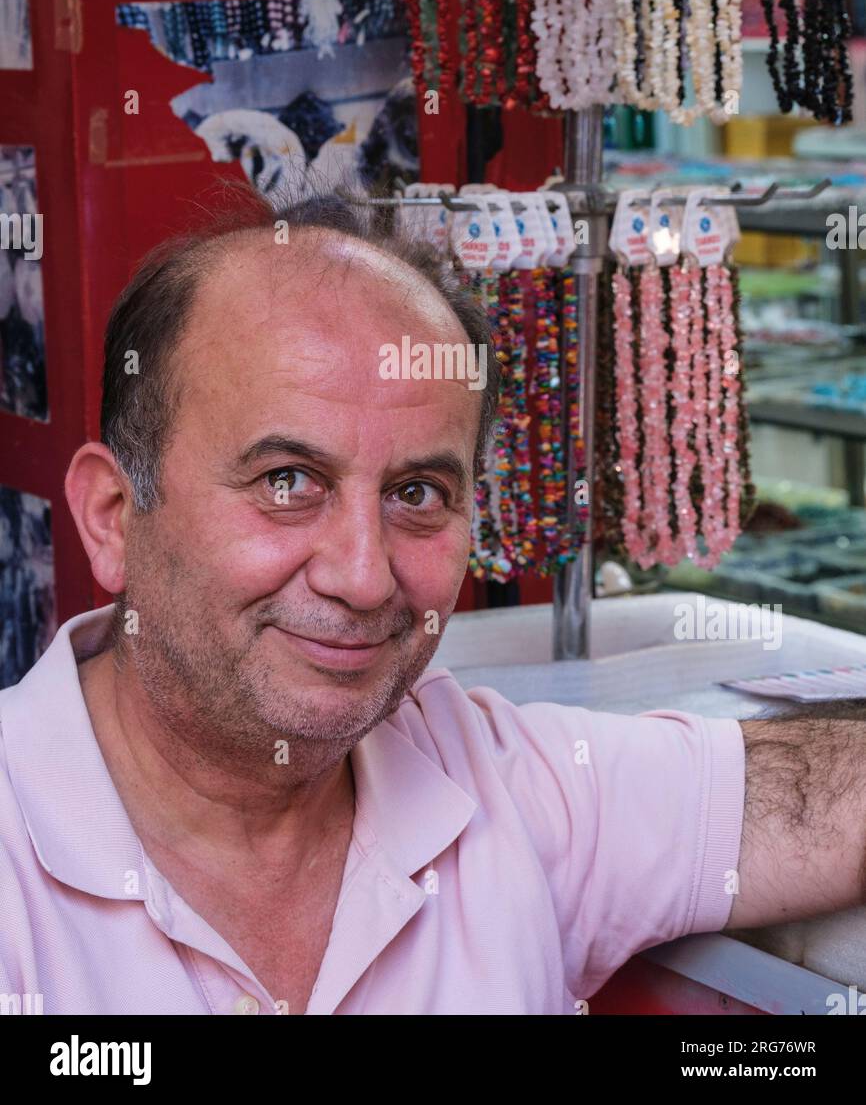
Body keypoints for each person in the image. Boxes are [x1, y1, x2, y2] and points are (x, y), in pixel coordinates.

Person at [1, 190, 864, 1016]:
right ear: (114, 519)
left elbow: (816, 802)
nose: (365, 576)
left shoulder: (503, 791)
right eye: (287, 481)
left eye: (416, 494)